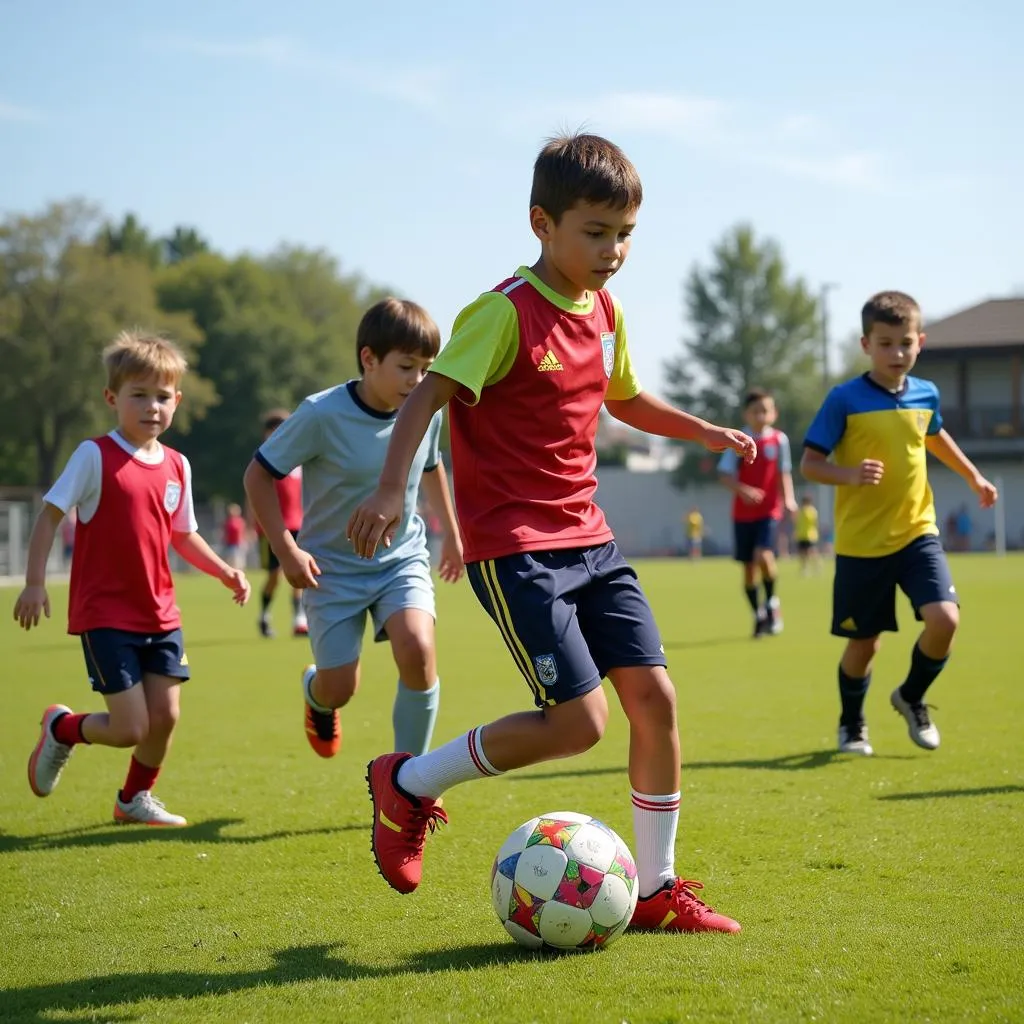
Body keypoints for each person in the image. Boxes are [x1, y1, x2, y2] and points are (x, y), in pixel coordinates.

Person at [347, 132, 755, 933]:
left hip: (591, 539)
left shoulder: (605, 311)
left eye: (625, 234)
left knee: (655, 700)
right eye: (595, 232)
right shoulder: (502, 313)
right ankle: (410, 781)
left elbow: (625, 399)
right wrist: (395, 488)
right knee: (579, 722)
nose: (613, 251)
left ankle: (656, 891)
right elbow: (428, 397)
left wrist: (701, 429)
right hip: (518, 547)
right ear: (543, 223)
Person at [13, 330, 251, 825]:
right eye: (138, 395)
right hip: (107, 616)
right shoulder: (94, 455)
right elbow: (49, 517)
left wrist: (225, 570)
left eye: (162, 396)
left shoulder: (178, 465)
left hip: (161, 613)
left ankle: (132, 800)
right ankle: (63, 729)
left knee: (164, 718)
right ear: (112, 398)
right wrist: (35, 583)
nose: (151, 407)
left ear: (177, 401)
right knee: (129, 728)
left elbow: (183, 536)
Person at [243, 298, 463, 762]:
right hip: (331, 570)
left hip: (401, 559)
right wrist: (286, 551)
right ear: (369, 358)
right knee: (340, 688)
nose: (418, 380)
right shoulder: (321, 414)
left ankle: (409, 782)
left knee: (419, 649)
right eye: (406, 367)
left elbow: (432, 467)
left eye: (426, 368)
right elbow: (258, 476)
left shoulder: (427, 408)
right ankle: (315, 693)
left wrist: (453, 535)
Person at [801, 291, 998, 757]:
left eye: (905, 343)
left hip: (917, 532)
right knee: (864, 646)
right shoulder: (843, 399)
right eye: (885, 343)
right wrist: (849, 474)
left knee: (945, 619)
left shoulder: (926, 393)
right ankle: (852, 724)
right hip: (861, 545)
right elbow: (810, 464)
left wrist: (974, 477)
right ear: (866, 344)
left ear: (920, 342)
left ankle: (910, 696)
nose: (897, 353)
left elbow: (934, 435)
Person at [718, 388, 797, 637]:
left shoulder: (779, 440)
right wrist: (744, 491)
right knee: (749, 569)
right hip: (743, 514)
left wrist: (790, 500)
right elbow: (725, 475)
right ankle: (758, 615)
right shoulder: (739, 441)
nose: (761, 415)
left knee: (764, 555)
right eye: (756, 411)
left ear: (773, 413)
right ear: (746, 414)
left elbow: (784, 473)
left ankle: (772, 603)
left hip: (769, 511)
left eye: (766, 410)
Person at [251, 410, 307, 638]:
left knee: (299, 572)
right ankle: (264, 615)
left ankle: (299, 620)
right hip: (270, 527)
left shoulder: (298, 460)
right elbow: (253, 492)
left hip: (297, 524)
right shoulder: (263, 460)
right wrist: (249, 523)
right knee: (274, 575)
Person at [794, 493, 821, 576]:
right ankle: (804, 569)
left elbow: (814, 523)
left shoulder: (811, 511)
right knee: (802, 553)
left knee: (811, 552)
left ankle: (817, 566)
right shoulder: (801, 511)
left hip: (810, 535)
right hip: (801, 535)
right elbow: (797, 523)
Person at [222, 502, 248, 570]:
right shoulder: (228, 521)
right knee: (232, 561)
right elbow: (225, 533)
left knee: (240, 562)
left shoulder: (240, 521)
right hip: (230, 544)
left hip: (239, 544)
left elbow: (243, 532)